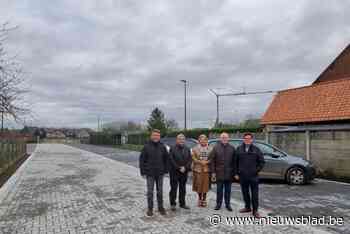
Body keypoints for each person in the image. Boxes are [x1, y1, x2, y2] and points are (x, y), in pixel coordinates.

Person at [235, 132, 265, 218]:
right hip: (242, 176)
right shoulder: (239, 149)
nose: (247, 140)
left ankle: (255, 211)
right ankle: (247, 207)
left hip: (253, 176)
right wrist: (236, 173)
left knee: (255, 194)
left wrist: (257, 170)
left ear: (252, 140)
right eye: (246, 138)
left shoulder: (257, 149)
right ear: (243, 139)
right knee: (245, 193)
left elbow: (262, 162)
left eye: (249, 138)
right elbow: (235, 162)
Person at [139, 129, 169, 217]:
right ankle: (150, 208)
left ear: (160, 137)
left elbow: (166, 159)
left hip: (160, 173)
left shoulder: (162, 146)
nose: (156, 137)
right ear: (151, 136)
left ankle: (160, 208)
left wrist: (166, 170)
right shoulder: (146, 146)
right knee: (150, 192)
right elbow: (142, 160)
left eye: (157, 136)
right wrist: (143, 172)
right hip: (150, 174)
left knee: (160, 191)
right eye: (154, 135)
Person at [210, 132, 237, 211]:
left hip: (229, 173)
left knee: (228, 190)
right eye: (223, 137)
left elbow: (234, 162)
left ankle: (228, 204)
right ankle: (218, 204)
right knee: (219, 190)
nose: (224, 139)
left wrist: (235, 173)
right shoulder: (215, 148)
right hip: (219, 173)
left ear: (228, 139)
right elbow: (212, 161)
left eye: (226, 137)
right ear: (220, 139)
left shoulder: (232, 148)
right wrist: (213, 172)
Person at [168, 134, 192, 211]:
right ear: (177, 140)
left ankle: (182, 203)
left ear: (184, 140)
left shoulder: (187, 149)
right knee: (174, 188)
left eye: (183, 139)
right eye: (180, 139)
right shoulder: (172, 148)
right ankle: (173, 204)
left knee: (183, 188)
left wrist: (185, 167)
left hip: (184, 172)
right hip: (174, 172)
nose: (182, 140)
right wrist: (179, 168)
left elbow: (190, 160)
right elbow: (171, 160)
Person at [192, 134, 213, 207]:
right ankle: (199, 199)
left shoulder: (211, 148)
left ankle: (204, 199)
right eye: (201, 140)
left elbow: (212, 158)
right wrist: (200, 162)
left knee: (205, 185)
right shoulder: (194, 148)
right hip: (197, 169)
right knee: (198, 185)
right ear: (199, 141)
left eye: (204, 140)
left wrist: (207, 162)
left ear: (207, 140)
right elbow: (193, 158)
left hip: (207, 169)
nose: (203, 141)